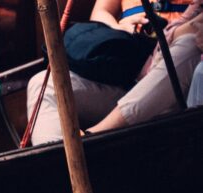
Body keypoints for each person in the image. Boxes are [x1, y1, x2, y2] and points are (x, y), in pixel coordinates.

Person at [27, 0, 202, 144]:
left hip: (175, 91)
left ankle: (92, 139)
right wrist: (120, 26)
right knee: (42, 83)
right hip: (129, 75)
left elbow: (188, 34)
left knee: (189, 45)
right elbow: (99, 13)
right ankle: (55, 169)